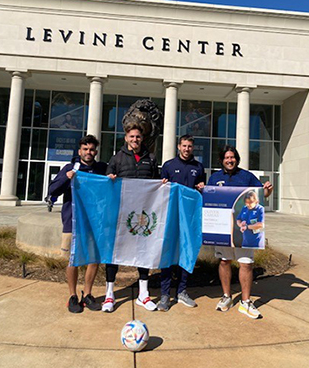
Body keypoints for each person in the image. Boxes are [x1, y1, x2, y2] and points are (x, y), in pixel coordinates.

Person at [103, 104, 160, 313]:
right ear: (126, 138)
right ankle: (109, 294)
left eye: (138, 137)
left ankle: (143, 294)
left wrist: (161, 184)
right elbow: (106, 183)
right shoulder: (117, 159)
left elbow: (155, 185)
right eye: (131, 137)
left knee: (143, 252)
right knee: (114, 253)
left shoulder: (151, 159)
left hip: (142, 216)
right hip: (120, 215)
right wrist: (109, 179)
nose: (135, 140)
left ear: (142, 138)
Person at [207, 145, 273, 319]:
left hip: (244, 231)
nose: (230, 160)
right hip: (223, 229)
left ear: (237, 159)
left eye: (233, 157)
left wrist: (267, 190)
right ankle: (227, 297)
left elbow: (261, 194)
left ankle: (245, 302)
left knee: (246, 263)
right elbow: (208, 199)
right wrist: (202, 189)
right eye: (227, 158)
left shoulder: (246, 176)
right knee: (224, 261)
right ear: (221, 160)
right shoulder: (215, 177)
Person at [49, 135, 107, 313]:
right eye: (85, 149)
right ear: (79, 151)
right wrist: (66, 178)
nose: (88, 152)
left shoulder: (101, 169)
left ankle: (87, 294)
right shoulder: (70, 168)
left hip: (94, 223)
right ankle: (72, 296)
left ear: (95, 151)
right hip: (73, 222)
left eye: (91, 149)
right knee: (73, 260)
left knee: (93, 260)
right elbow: (52, 190)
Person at [157, 135, 205, 312]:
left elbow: (202, 191)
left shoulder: (198, 167)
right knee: (168, 254)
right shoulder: (169, 166)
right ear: (178, 147)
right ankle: (164, 294)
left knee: (187, 252)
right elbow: (160, 192)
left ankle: (182, 291)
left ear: (193, 148)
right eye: (184, 146)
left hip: (189, 219)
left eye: (190, 146)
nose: (187, 149)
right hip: (170, 217)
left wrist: (202, 187)